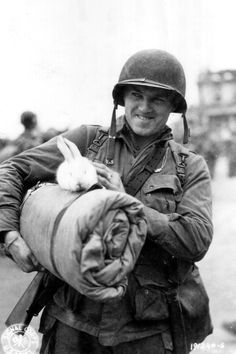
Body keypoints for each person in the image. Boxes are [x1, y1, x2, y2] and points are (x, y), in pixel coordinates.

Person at [0, 49, 213, 354]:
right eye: (136, 94)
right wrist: (9, 236)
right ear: (122, 98)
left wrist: (125, 202)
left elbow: (197, 239)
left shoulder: (189, 166)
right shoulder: (88, 141)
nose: (144, 107)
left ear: (173, 107)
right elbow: (11, 168)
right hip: (72, 322)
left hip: (147, 333)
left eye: (158, 99)